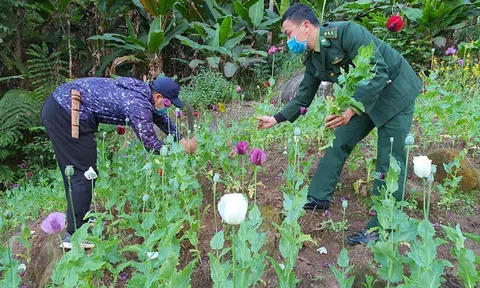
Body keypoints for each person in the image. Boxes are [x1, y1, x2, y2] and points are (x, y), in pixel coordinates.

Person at [257, 4, 422, 245]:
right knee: (339, 139)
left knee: (390, 160)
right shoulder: (314, 59)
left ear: (305, 26)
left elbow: (378, 71)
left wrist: (351, 109)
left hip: (394, 90)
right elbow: (303, 97)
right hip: (364, 97)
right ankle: (317, 197)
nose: (288, 41)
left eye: (288, 33)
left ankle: (385, 225)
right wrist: (276, 118)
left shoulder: (347, 33)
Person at [40, 76, 197, 249]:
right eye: (167, 103)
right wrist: (180, 150)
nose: (166, 108)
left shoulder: (140, 90)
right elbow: (150, 143)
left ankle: (79, 217)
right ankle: (74, 234)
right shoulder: (137, 103)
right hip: (67, 113)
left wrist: (181, 138)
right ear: (158, 97)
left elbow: (158, 118)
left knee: (79, 170)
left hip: (60, 106)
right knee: (84, 172)